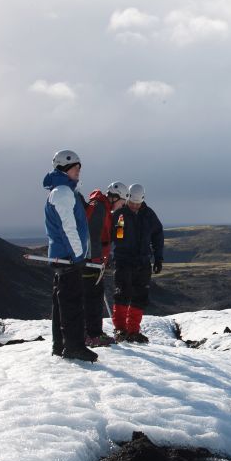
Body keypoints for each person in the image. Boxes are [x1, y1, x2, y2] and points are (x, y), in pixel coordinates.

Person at [43, 149, 98, 362]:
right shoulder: (64, 193)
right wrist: (78, 256)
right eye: (75, 168)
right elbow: (68, 228)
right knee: (72, 303)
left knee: (61, 303)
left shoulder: (61, 191)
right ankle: (74, 347)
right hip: (68, 257)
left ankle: (60, 345)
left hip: (63, 255)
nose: (78, 171)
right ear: (64, 169)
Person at [111, 183, 164, 343]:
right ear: (127, 198)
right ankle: (120, 329)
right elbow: (113, 236)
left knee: (140, 297)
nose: (134, 206)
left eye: (138, 203)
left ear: (142, 200)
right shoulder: (120, 214)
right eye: (132, 203)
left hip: (143, 262)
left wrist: (158, 258)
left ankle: (133, 331)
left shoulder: (149, 214)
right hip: (123, 261)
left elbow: (158, 235)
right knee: (122, 294)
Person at [82, 181, 129, 347]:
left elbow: (112, 236)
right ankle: (92, 334)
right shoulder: (100, 208)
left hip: (95, 261)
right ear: (115, 197)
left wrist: (120, 226)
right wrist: (96, 259)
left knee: (94, 297)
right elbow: (92, 234)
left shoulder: (104, 209)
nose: (122, 206)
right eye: (122, 202)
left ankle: (93, 333)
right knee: (92, 298)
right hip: (91, 262)